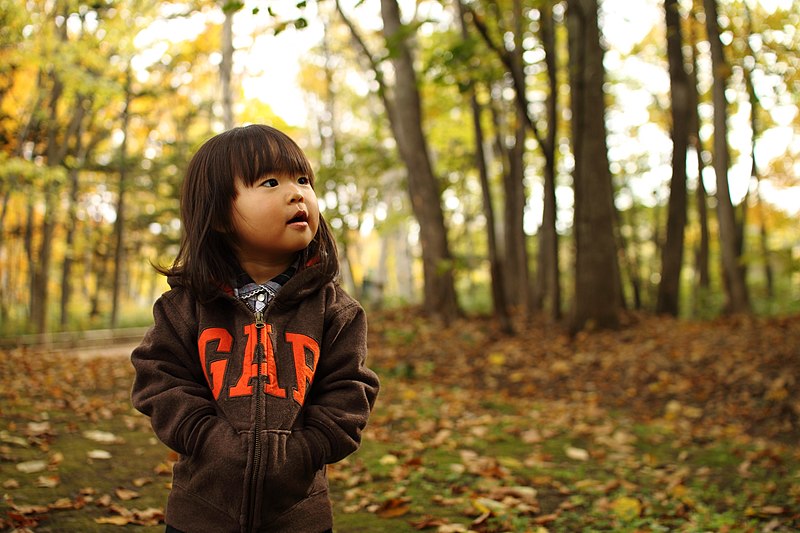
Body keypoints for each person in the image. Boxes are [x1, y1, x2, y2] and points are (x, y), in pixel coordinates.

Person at [130, 124, 380, 533]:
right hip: (202, 513)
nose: (297, 192)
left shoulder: (335, 311)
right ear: (219, 216)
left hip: (299, 516)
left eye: (303, 180)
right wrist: (206, 437)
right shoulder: (185, 307)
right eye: (270, 182)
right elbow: (158, 378)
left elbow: (350, 390)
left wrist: (308, 448)